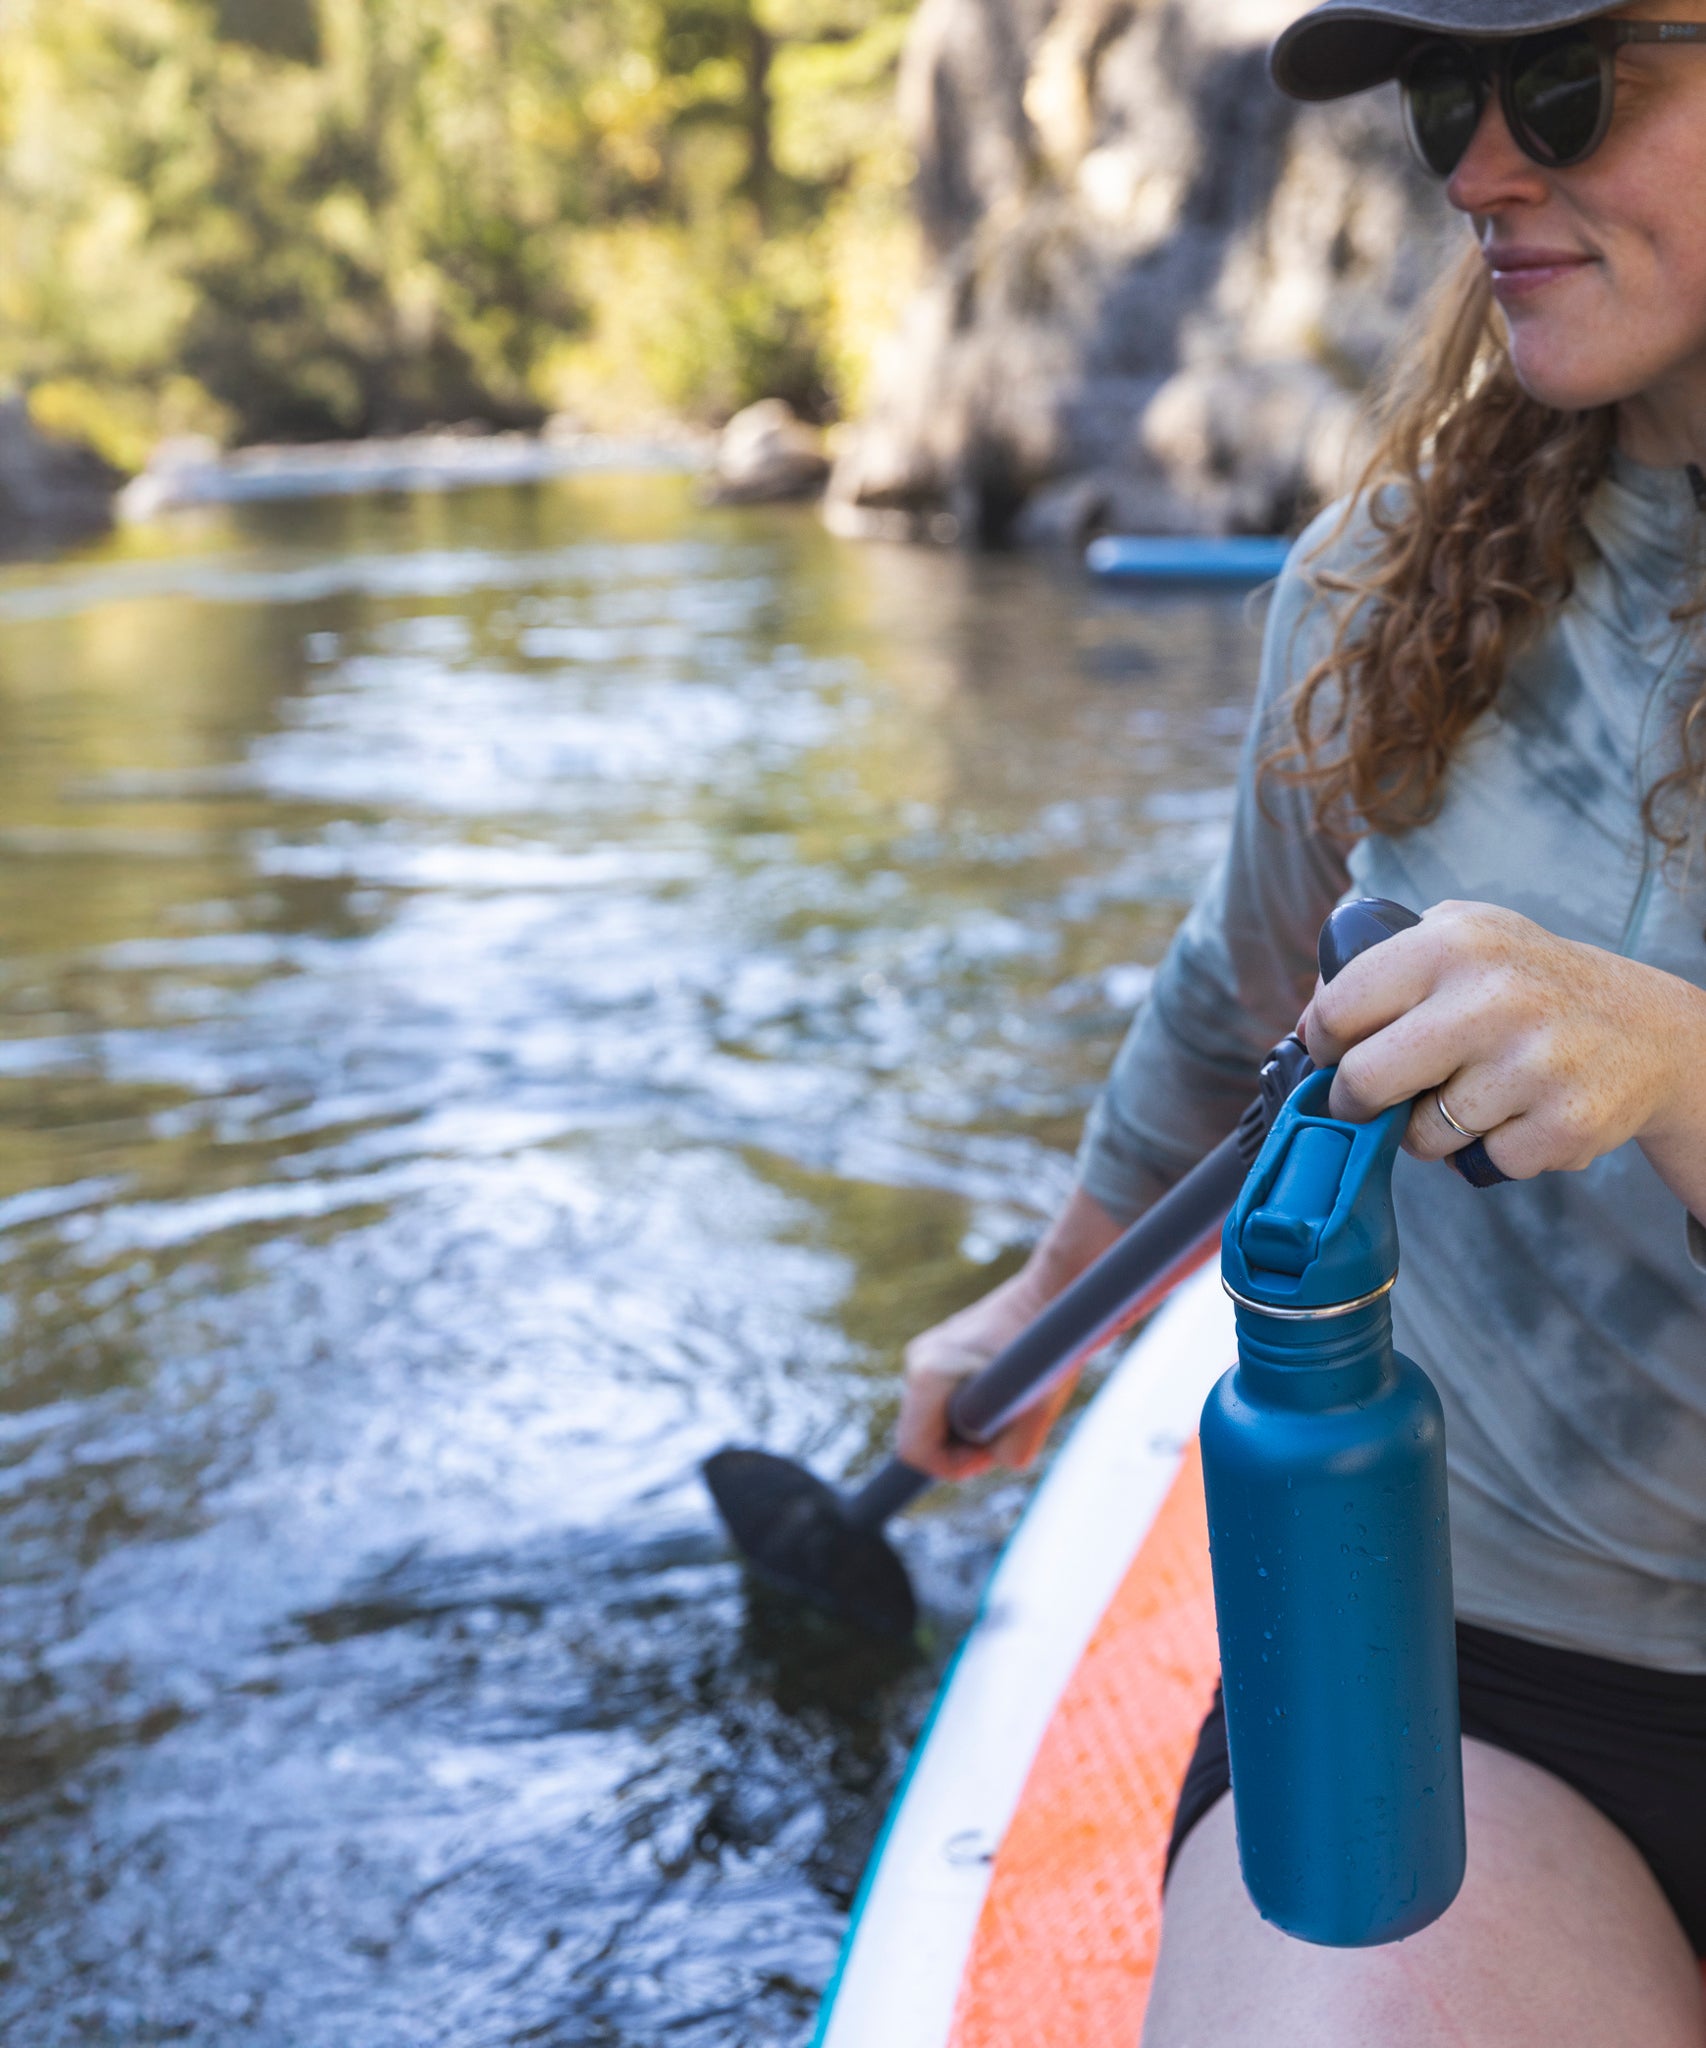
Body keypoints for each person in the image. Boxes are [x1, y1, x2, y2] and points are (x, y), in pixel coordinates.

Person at [896, 0, 1706, 2039]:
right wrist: (1039, 1305)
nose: (1475, 168)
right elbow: (1231, 1002)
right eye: (1448, 98)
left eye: (1564, 89)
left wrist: (1678, 1070)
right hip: (1484, 1671)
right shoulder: (1388, 575)